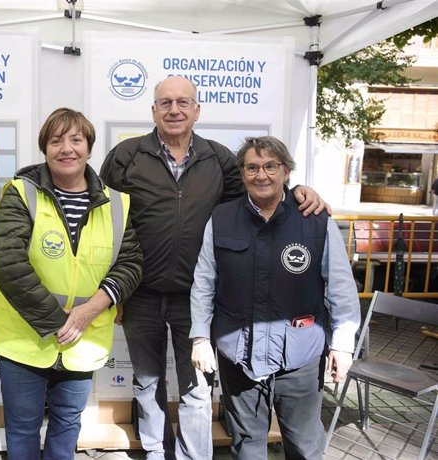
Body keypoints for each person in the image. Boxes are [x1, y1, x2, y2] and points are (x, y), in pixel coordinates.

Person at [100, 75, 327, 459]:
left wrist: (297, 192)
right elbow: (103, 221)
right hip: (138, 293)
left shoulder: (219, 158)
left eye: (183, 102)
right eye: (166, 103)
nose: (175, 110)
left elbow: (257, 201)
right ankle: (157, 453)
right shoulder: (126, 156)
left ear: (197, 110)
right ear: (153, 110)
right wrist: (112, 292)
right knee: (146, 382)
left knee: (196, 389)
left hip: (198, 299)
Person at [190, 136, 360, 459]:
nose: (261, 174)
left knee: (305, 447)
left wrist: (342, 345)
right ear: (242, 174)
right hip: (237, 355)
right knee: (246, 447)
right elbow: (204, 282)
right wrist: (200, 337)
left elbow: (341, 287)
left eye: (271, 166)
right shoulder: (222, 218)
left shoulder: (315, 220)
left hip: (300, 357)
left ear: (286, 172)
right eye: (252, 167)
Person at [0, 107, 143, 459]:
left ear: (89, 148)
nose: (66, 149)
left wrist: (90, 309)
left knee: (67, 427)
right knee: (23, 429)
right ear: (44, 148)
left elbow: (131, 261)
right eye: (56, 141)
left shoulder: (117, 204)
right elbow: (7, 260)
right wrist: (58, 322)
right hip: (24, 342)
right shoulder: (21, 193)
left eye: (76, 140)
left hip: (83, 343)